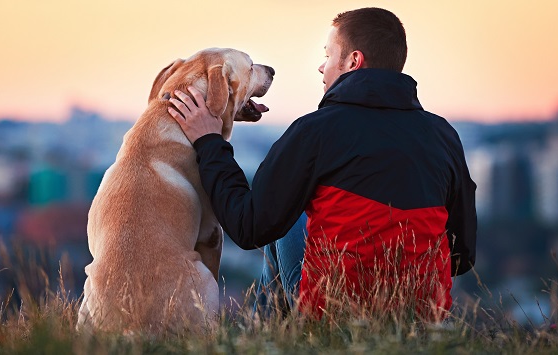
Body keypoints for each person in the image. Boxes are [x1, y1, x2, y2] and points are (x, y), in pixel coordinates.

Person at [167, 7, 477, 321]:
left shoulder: (315, 131)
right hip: (422, 317)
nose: (321, 66)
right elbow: (462, 255)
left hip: (335, 312)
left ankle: (264, 337)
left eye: (328, 55)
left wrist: (209, 141)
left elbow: (248, 227)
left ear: (353, 61)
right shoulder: (443, 136)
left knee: (284, 219)